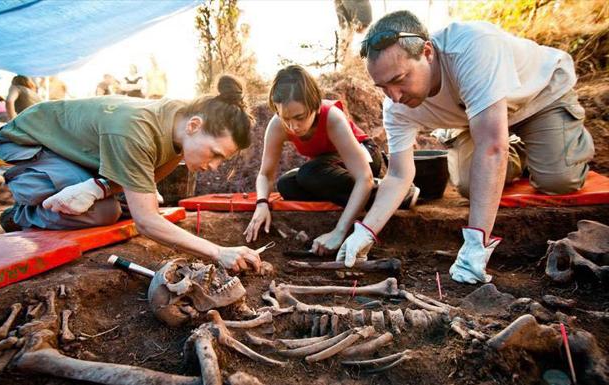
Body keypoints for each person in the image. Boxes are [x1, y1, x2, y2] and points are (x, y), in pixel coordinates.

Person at [336, 10, 595, 284]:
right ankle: (513, 147)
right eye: (383, 86)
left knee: (558, 179)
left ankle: (564, 140)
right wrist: (365, 232)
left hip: (538, 98)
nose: (394, 96)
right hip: (478, 119)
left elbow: (491, 149)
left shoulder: (472, 47)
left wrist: (476, 244)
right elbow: (399, 175)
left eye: (400, 80)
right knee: (471, 185)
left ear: (427, 52)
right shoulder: (395, 106)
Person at [0, 75, 262, 273]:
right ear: (194, 125)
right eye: (215, 153)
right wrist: (218, 252)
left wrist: (98, 188)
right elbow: (146, 222)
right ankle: (22, 214)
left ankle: (69, 191)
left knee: (122, 204)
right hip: (33, 140)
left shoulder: (179, 127)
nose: (214, 165)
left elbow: (139, 183)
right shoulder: (136, 129)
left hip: (82, 154)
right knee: (103, 213)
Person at [243, 65, 418, 256]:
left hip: (363, 156)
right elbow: (265, 174)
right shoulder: (278, 125)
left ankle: (393, 191)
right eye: (286, 118)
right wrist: (262, 204)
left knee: (310, 174)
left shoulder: (332, 117)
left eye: (300, 117)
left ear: (315, 106)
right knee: (286, 185)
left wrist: (339, 231)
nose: (293, 126)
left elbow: (363, 176)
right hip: (327, 165)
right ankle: (370, 194)